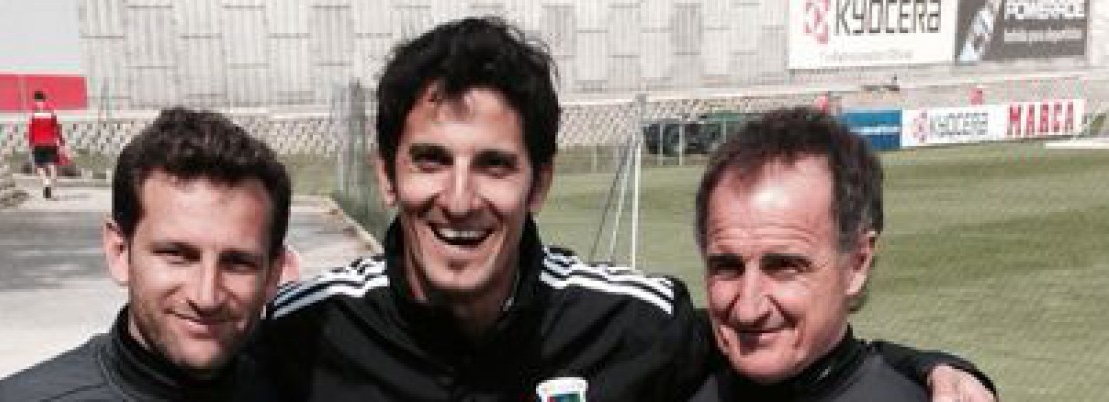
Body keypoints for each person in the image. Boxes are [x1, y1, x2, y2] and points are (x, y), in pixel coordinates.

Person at [259, 16, 995, 402]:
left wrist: (932, 369)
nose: (458, 199)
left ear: (540, 183)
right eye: (430, 160)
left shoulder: (634, 322)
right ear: (387, 176)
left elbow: (785, 341)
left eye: (494, 165)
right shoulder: (303, 330)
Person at [0, 107, 292, 401]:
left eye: (238, 263)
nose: (206, 297)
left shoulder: (303, 390)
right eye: (177, 255)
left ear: (273, 274)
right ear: (119, 252)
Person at [689, 107, 996, 401]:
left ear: (857, 263)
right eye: (726, 267)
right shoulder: (675, 385)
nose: (748, 309)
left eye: (783, 266)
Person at [28, 90, 66, 200]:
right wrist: (61, 142)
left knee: (39, 166)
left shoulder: (33, 113)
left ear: (35, 100)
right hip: (51, 143)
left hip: (38, 143)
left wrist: (30, 143)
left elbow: (30, 130)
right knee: (52, 166)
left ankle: (46, 181)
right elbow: (57, 128)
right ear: (45, 99)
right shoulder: (51, 112)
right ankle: (51, 192)